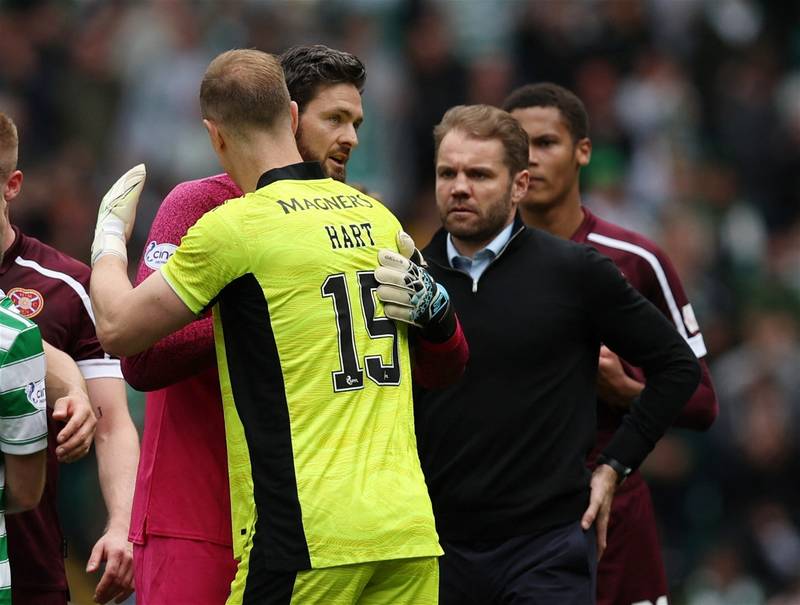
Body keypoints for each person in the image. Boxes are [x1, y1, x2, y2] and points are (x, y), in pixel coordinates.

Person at [90, 49, 461, 604]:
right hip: (400, 527)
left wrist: (108, 242)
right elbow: (149, 364)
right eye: (333, 119)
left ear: (215, 135)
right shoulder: (377, 220)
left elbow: (119, 331)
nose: (351, 139)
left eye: (357, 122)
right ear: (290, 117)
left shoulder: (236, 226)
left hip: (304, 529)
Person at [390, 104, 700, 605]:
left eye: (479, 174)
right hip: (437, 551)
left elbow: (679, 368)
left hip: (547, 549)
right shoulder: (407, 281)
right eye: (447, 173)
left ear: (519, 185)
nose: (459, 186)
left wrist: (614, 465)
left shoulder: (575, 272)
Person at [502, 82, 719, 605]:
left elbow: (703, 402)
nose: (531, 158)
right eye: (518, 147)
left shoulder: (635, 261)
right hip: (507, 524)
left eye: (547, 142)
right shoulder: (472, 267)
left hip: (613, 517)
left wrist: (627, 390)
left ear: (584, 151)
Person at [0, 112, 139, 605]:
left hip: (27, 570)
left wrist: (121, 524)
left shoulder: (65, 286)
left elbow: (113, 423)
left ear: (12, 185)